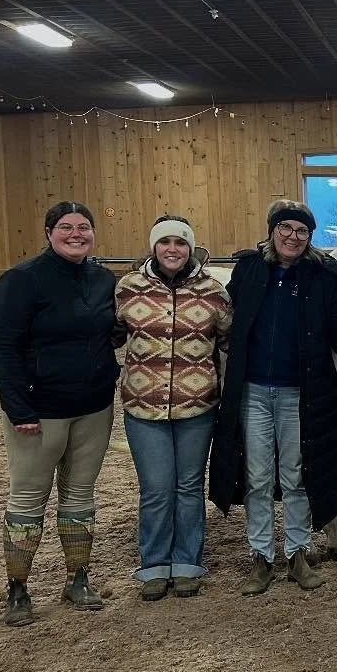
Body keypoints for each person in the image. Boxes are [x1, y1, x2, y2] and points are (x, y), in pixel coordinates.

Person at [208, 199, 337, 596]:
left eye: (301, 231)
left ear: (310, 236)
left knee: (295, 475)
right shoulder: (249, 270)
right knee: (258, 477)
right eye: (286, 228)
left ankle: (297, 553)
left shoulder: (322, 276)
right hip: (253, 392)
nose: (293, 237)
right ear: (272, 230)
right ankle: (261, 556)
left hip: (299, 394)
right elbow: (222, 320)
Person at [0, 200, 120, 627]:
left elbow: (110, 331)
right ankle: (18, 588)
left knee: (80, 494)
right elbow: (2, 346)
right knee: (28, 496)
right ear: (49, 233)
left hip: (94, 407)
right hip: (39, 410)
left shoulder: (103, 279)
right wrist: (17, 406)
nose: (75, 234)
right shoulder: (22, 280)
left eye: (83, 227)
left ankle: (77, 578)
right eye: (66, 227)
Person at [115, 215, 232, 600]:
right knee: (156, 488)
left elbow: (229, 341)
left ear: (190, 248)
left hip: (197, 408)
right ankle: (153, 564)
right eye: (165, 242)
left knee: (189, 486)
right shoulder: (128, 289)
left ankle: (186, 563)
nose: (172, 249)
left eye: (180, 243)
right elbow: (108, 336)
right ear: (154, 247)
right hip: (143, 408)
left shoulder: (213, 292)